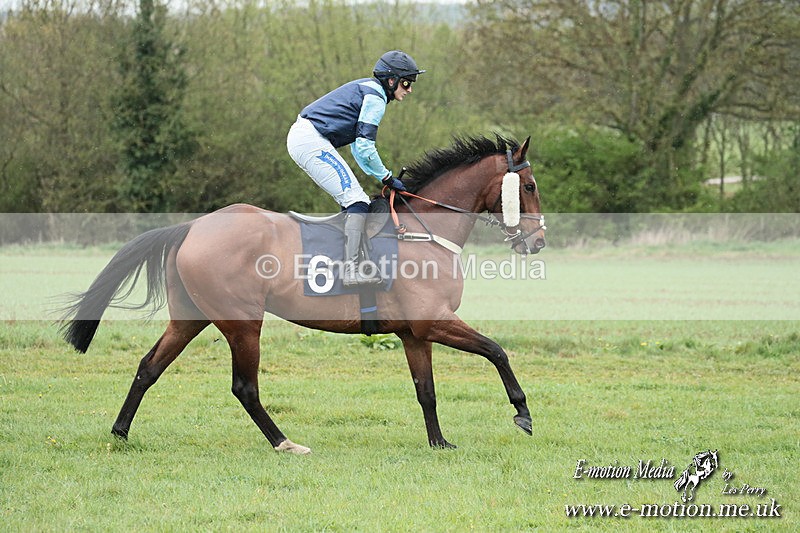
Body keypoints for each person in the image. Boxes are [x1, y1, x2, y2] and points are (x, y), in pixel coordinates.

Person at [287, 50, 425, 286]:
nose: (409, 89)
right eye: (406, 83)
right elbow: (364, 147)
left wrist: (382, 176)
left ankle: (345, 258)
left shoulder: (369, 90)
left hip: (306, 138)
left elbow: (357, 150)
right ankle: (350, 270)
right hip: (310, 140)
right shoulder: (376, 98)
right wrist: (387, 177)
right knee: (357, 200)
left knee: (352, 200)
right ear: (391, 81)